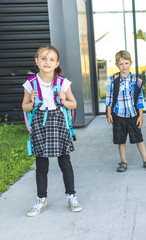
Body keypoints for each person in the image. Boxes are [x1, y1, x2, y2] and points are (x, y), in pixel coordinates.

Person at [22, 44, 82, 217]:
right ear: (37, 61)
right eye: (43, 58)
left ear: (57, 63)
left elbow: (74, 104)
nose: (47, 62)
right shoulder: (30, 84)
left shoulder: (63, 83)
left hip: (59, 124)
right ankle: (41, 199)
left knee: (65, 162)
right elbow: (25, 107)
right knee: (41, 165)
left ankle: (71, 196)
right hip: (40, 125)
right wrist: (32, 102)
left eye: (51, 59)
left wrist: (63, 100)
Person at [105, 50, 146, 173]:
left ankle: (145, 160)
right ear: (117, 65)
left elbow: (139, 99)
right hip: (118, 115)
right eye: (121, 64)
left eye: (126, 63)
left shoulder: (136, 81)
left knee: (139, 138)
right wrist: (108, 112)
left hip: (133, 115)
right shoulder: (113, 80)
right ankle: (123, 162)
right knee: (120, 140)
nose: (124, 66)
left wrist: (141, 116)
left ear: (131, 63)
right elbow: (109, 97)